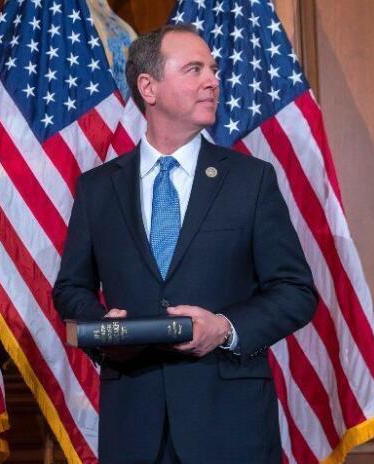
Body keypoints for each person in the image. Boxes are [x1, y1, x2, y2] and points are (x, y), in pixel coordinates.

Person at [52, 24, 318, 464]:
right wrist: (105, 326)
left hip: (230, 428)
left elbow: (295, 292)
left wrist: (224, 328)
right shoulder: (99, 189)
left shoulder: (250, 181)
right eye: (194, 69)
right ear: (148, 87)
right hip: (134, 427)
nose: (213, 80)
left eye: (212, 69)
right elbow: (70, 289)